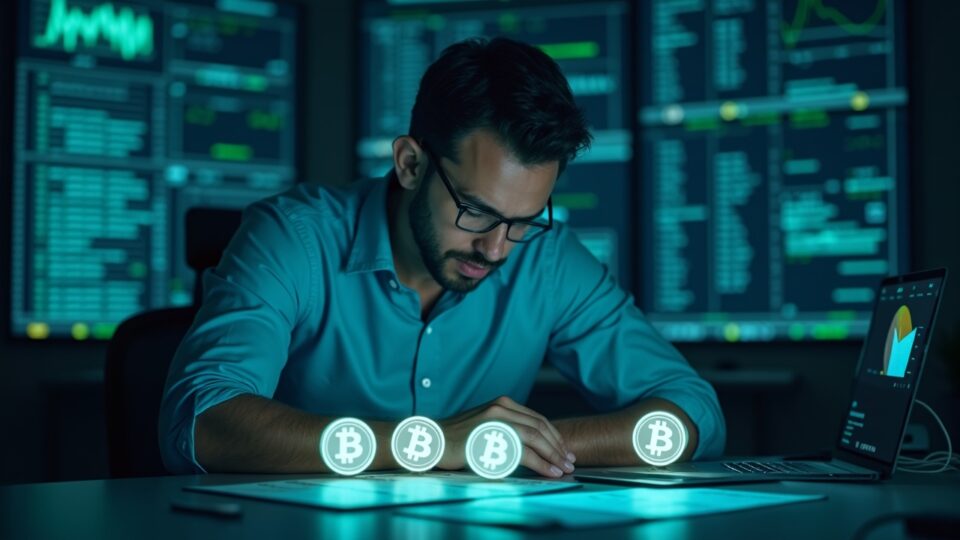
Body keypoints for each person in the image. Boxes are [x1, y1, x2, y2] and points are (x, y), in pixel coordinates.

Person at [159, 37, 725, 477]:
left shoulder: (549, 260)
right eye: (476, 212)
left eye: (523, 221)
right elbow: (201, 422)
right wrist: (426, 444)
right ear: (410, 164)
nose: (498, 249)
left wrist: (502, 444)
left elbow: (695, 410)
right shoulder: (291, 237)